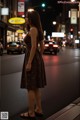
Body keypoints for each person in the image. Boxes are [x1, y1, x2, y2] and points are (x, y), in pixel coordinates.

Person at [20, 9, 46, 119]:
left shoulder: (33, 29)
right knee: (36, 88)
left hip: (31, 58)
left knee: (30, 87)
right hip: (37, 58)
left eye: (27, 17)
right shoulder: (38, 29)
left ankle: (31, 112)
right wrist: (38, 58)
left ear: (31, 19)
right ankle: (39, 109)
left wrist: (30, 62)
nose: (25, 18)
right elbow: (42, 48)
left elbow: (34, 47)